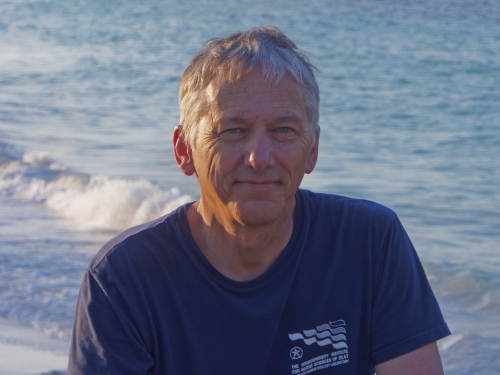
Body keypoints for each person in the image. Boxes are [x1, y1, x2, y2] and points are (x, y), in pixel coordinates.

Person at [68, 26, 450, 375]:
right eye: (233, 130)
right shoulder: (122, 278)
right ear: (184, 150)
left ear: (312, 149)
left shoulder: (370, 241)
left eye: (284, 130)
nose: (260, 157)